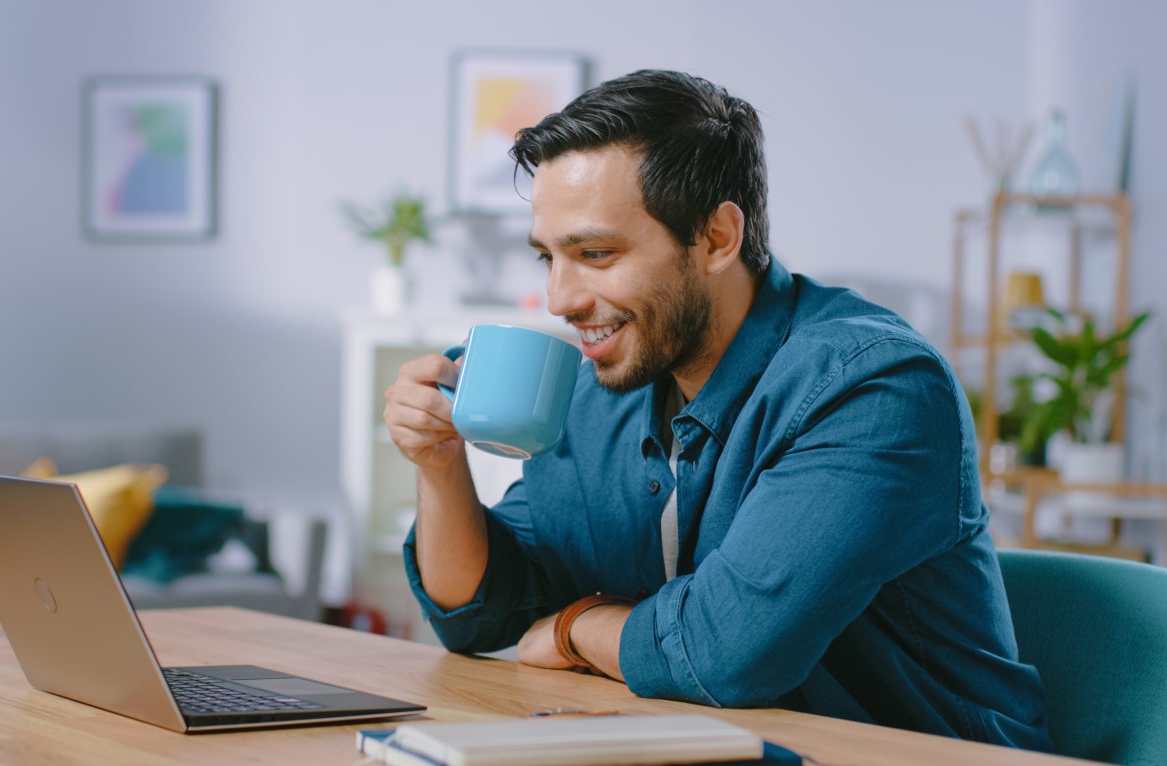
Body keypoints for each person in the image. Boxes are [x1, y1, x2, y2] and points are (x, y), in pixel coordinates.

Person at [382, 69, 1050, 750]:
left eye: (595, 254)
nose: (560, 297)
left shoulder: (873, 388)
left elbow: (723, 653)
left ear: (715, 238)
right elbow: (482, 613)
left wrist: (570, 626)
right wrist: (438, 465)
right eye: (547, 258)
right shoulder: (605, 390)